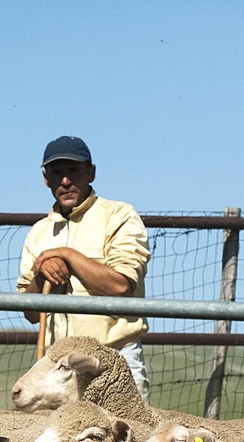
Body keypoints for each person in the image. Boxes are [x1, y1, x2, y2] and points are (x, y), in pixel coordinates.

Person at [16, 136, 151, 402]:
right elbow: (31, 312)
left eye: (74, 171)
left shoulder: (119, 216)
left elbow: (120, 285)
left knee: (127, 437)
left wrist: (66, 256)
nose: (65, 181)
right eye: (57, 173)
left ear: (91, 172)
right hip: (58, 369)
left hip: (113, 361)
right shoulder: (39, 232)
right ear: (46, 178)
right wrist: (42, 274)